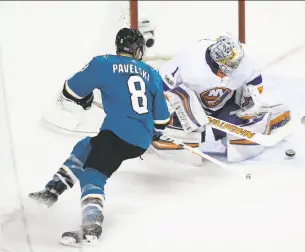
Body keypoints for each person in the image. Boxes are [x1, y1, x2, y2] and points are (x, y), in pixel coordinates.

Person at [28, 28, 170, 246]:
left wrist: (85, 97)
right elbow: (161, 120)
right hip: (138, 139)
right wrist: (152, 131)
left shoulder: (102, 63)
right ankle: (52, 191)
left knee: (93, 173)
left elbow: (70, 91)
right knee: (84, 147)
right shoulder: (152, 73)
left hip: (116, 134)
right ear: (137, 49)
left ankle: (92, 223)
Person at [153, 34, 291, 163]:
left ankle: (270, 120)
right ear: (216, 60)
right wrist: (167, 106)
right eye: (229, 65)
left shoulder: (246, 61)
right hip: (190, 106)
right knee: (182, 139)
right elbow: (160, 85)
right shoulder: (188, 59)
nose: (233, 68)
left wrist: (251, 102)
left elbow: (256, 84)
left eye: (234, 64)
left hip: (226, 104)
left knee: (241, 141)